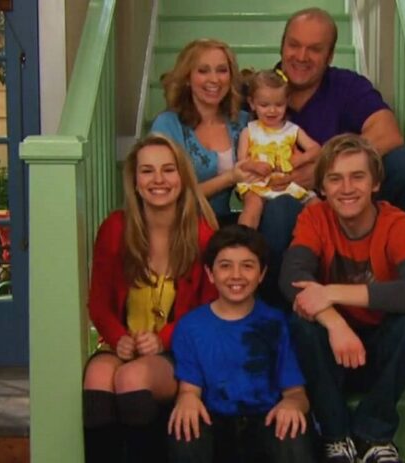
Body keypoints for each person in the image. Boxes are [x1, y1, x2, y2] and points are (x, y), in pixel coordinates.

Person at [279, 135, 405, 463]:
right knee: (302, 320)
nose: (346, 188)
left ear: (376, 183)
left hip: (379, 350)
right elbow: (292, 277)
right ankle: (335, 435)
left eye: (357, 177)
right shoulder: (315, 218)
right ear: (322, 187)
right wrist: (335, 323)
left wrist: (330, 292)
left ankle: (372, 433)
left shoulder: (399, 224)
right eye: (335, 179)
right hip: (330, 353)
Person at [256, 7, 405, 307]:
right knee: (280, 209)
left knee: (404, 164)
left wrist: (324, 170)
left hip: (351, 203)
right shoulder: (264, 91)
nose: (301, 56)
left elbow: (389, 133)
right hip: (290, 208)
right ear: (282, 47)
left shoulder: (346, 86)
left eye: (314, 49)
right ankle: (282, 311)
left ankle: (389, 273)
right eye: (294, 45)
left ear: (330, 55)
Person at [82, 134, 219, 462]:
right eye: (147, 171)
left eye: (168, 170)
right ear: (135, 181)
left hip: (177, 350)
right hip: (122, 343)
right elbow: (98, 302)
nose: (158, 179)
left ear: (182, 178)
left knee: (132, 378)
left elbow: (209, 310)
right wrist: (118, 337)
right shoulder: (115, 228)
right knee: (98, 377)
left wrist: (162, 340)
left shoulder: (203, 234)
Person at [168, 224, 316, 463]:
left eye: (247, 266)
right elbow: (189, 389)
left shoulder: (276, 322)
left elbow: (297, 393)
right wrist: (186, 399)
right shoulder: (190, 326)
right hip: (215, 423)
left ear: (262, 274)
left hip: (264, 421)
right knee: (186, 427)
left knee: (292, 428)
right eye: (225, 266)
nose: (236, 275)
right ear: (210, 273)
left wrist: (292, 404)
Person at [151, 38, 262, 224]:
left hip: (224, 225)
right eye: (203, 71)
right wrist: (229, 178)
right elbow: (167, 196)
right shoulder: (167, 125)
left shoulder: (243, 121)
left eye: (222, 70)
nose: (214, 79)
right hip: (179, 225)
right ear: (187, 78)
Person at [236, 69, 320, 229]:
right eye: (264, 105)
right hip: (259, 184)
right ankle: (244, 239)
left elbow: (316, 149)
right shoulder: (249, 131)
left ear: (287, 102)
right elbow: (241, 162)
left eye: (279, 104)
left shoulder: (292, 130)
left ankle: (325, 239)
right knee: (252, 206)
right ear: (252, 103)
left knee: (316, 204)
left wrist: (301, 159)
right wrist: (254, 166)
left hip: (290, 182)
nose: (272, 110)